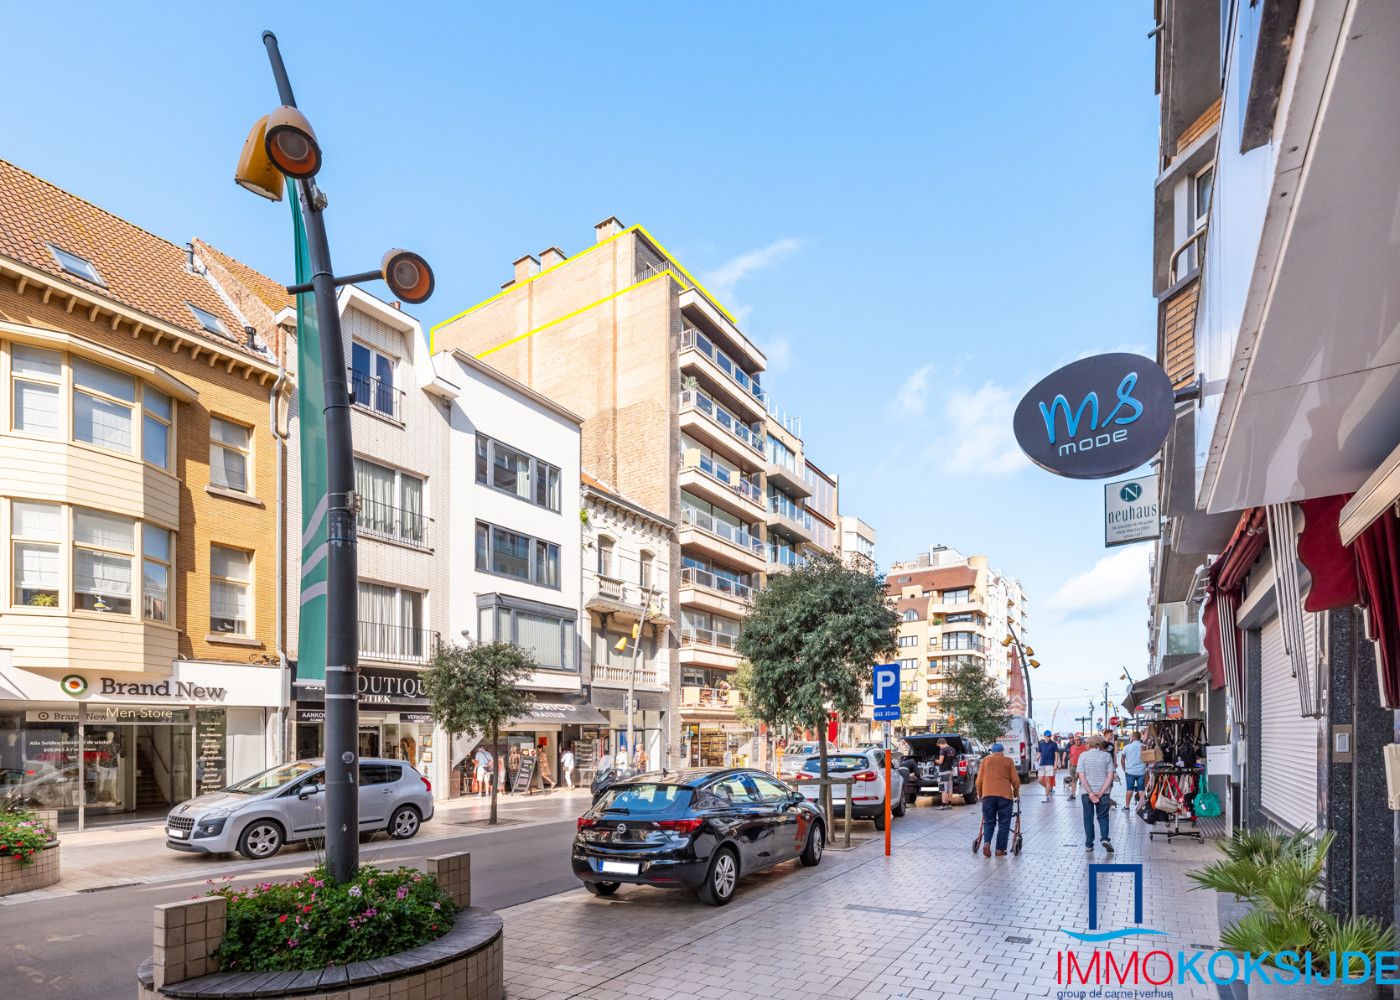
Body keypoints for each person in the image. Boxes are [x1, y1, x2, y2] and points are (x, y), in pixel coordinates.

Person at [974, 742, 1020, 857]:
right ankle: (1000, 849)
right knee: (1004, 823)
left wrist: (980, 794)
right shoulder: (1008, 761)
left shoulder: (986, 760)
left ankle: (987, 843)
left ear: (992, 752)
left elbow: (978, 781)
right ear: (1002, 751)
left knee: (989, 822)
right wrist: (1016, 793)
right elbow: (1016, 780)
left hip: (988, 796)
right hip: (1005, 796)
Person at [1077, 736, 1115, 853]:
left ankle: (1089, 844)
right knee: (1103, 816)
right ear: (1098, 745)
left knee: (1088, 818)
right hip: (1103, 793)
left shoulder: (1083, 756)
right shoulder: (1107, 756)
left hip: (1086, 793)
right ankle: (1104, 838)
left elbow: (1081, 776)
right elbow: (1110, 776)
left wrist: (1090, 792)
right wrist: (1101, 792)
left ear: (1088, 745)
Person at [1121, 731, 1147, 812]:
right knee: (1141, 790)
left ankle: (1127, 807)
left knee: (1129, 789)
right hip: (1141, 771)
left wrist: (1124, 769)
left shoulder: (1127, 747)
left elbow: (1122, 759)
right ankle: (1143, 807)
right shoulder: (1144, 747)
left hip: (1130, 772)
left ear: (1133, 737)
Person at [1036, 730, 1059, 801]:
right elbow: (1039, 753)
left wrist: (1055, 764)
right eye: (1047, 736)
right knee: (1039, 780)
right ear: (1044, 736)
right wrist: (1037, 759)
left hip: (1050, 764)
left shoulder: (1054, 744)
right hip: (1042, 763)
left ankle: (1046, 796)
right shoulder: (1041, 744)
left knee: (1047, 780)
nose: (1049, 737)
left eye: (1050, 736)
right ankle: (1048, 788)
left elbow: (1056, 755)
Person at [936, 738, 958, 810]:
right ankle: (949, 804)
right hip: (950, 771)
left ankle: (943, 804)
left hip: (943, 771)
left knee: (943, 788)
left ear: (942, 743)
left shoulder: (943, 750)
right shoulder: (953, 749)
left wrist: (935, 760)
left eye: (939, 745)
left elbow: (940, 761)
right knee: (949, 788)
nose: (940, 747)